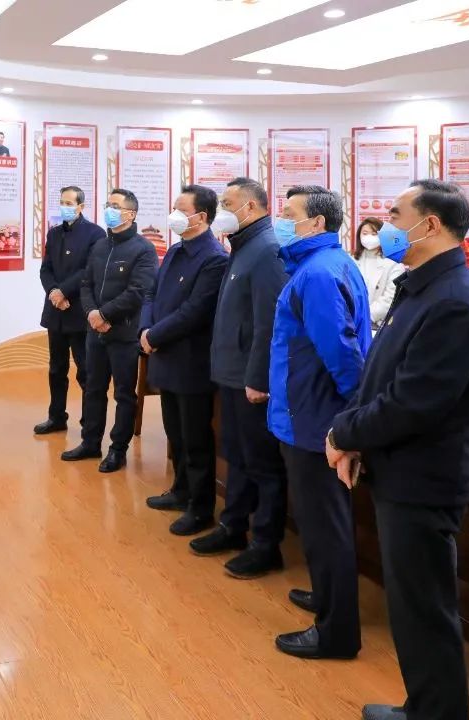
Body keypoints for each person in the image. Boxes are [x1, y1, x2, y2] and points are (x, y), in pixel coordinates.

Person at [327, 180, 469, 720]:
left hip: (423, 480)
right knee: (411, 608)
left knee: (425, 612)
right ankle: (424, 708)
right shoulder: (422, 286)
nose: (386, 225)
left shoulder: (455, 301)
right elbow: (381, 373)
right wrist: (353, 432)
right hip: (399, 468)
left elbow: (413, 403)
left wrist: (345, 434)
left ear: (430, 225)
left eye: (396, 214)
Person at [268, 185, 371, 661]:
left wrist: (354, 418)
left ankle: (336, 633)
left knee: (325, 527)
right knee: (319, 523)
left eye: (289, 214)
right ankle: (327, 596)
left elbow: (342, 354)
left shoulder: (319, 274)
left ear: (317, 224)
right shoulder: (324, 264)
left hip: (315, 419)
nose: (281, 220)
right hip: (308, 413)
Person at [192, 177, 290, 581]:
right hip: (231, 374)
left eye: (228, 204)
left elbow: (270, 321)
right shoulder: (243, 245)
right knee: (235, 455)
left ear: (250, 207)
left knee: (262, 463)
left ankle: (265, 546)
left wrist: (259, 378)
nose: (222, 212)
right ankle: (233, 526)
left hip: (252, 380)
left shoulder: (266, 249)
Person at [141, 185, 229, 536]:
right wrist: (145, 329)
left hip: (191, 362)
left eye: (181, 209)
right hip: (164, 356)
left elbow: (194, 312)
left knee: (196, 440)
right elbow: (152, 292)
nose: (173, 215)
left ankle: (200, 507)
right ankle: (180, 491)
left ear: (201, 217)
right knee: (174, 434)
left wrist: (154, 336)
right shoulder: (176, 250)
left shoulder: (214, 258)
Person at [62, 188, 157, 473]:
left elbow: (138, 292)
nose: (109, 210)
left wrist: (105, 315)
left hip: (124, 334)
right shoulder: (100, 246)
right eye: (108, 204)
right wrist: (93, 313)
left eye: (115, 206)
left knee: (124, 394)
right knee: (93, 388)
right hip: (95, 331)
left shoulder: (143, 249)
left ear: (131, 214)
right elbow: (86, 284)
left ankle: (118, 450)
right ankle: (90, 442)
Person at [35, 186, 105, 435]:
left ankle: (89, 424)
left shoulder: (95, 234)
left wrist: (64, 292)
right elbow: (46, 269)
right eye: (62, 202)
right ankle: (56, 417)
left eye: (69, 203)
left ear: (81, 206)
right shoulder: (54, 233)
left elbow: (89, 270)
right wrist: (54, 292)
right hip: (56, 311)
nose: (64, 207)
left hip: (79, 311)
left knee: (86, 371)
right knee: (56, 369)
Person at [354, 217, 404, 331]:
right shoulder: (351, 260)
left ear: (383, 236)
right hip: (354, 321)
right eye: (365, 233)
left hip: (380, 324)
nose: (369, 237)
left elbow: (390, 297)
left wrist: (366, 316)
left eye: (374, 234)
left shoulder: (393, 263)